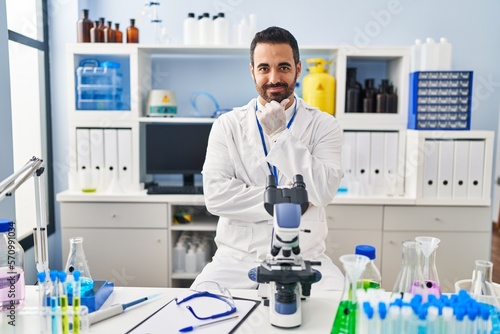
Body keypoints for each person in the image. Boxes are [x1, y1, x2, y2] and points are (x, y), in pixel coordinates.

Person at [192, 26, 344, 290]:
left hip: (306, 260)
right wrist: (289, 198)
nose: (274, 78)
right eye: (264, 68)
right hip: (237, 260)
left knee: (341, 315)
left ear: (298, 68)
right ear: (252, 70)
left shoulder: (325, 125)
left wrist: (280, 135)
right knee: (196, 311)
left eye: (283, 67)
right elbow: (216, 196)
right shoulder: (227, 125)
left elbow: (322, 191)